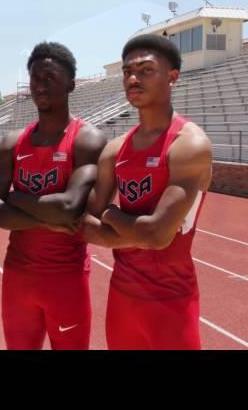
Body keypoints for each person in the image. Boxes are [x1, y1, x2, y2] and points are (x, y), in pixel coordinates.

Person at [82, 34, 212, 350]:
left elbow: (157, 235)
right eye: (127, 71)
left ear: (172, 77)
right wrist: (136, 231)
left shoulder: (189, 145)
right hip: (122, 299)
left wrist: (112, 215)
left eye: (145, 69)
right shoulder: (115, 150)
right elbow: (82, 223)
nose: (133, 78)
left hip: (172, 303)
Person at [0, 42, 106, 350]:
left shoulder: (87, 139)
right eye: (35, 78)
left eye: (50, 77)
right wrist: (48, 221)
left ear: (71, 84)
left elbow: (68, 208)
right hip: (17, 277)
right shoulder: (14, 142)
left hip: (66, 279)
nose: (40, 85)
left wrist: (16, 198)